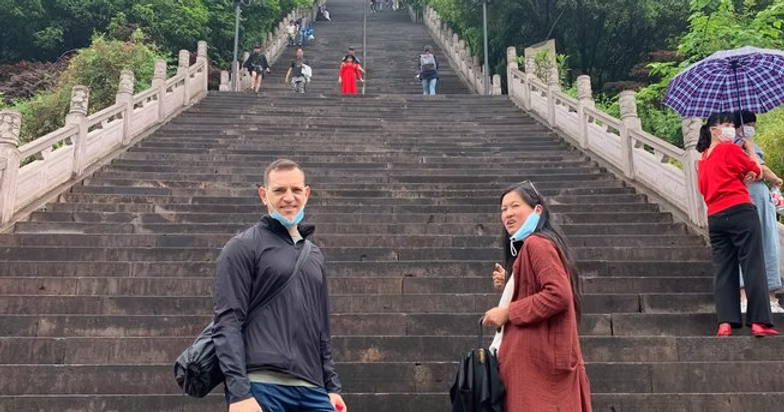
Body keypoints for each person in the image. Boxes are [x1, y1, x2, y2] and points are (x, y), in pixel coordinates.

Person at [213, 159, 348, 412]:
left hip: (313, 390)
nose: (289, 198)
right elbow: (228, 322)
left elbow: (322, 329)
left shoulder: (314, 255)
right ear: (264, 195)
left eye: (296, 190)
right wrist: (239, 392)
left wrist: (332, 387)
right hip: (261, 386)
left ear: (306, 194)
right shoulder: (242, 247)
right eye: (279, 190)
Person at [483, 181, 592, 411]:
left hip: (537, 366)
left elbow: (558, 294)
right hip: (534, 361)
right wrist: (512, 280)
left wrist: (507, 312)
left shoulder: (536, 244)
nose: (508, 214)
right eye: (503, 209)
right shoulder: (532, 246)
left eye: (515, 206)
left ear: (537, 210)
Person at [695, 111, 778, 337]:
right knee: (753, 263)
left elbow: (703, 189)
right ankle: (759, 321)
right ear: (714, 130)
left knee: (724, 268)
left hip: (716, 217)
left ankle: (725, 322)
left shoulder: (703, 159)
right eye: (727, 124)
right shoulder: (730, 149)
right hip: (740, 210)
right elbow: (757, 170)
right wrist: (749, 147)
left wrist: (741, 176)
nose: (732, 128)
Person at [733, 110, 784, 313]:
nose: (751, 127)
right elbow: (760, 170)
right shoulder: (740, 147)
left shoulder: (741, 147)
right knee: (762, 244)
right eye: (748, 124)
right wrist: (777, 180)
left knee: (755, 245)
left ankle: (766, 297)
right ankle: (754, 297)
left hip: (751, 199)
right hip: (750, 199)